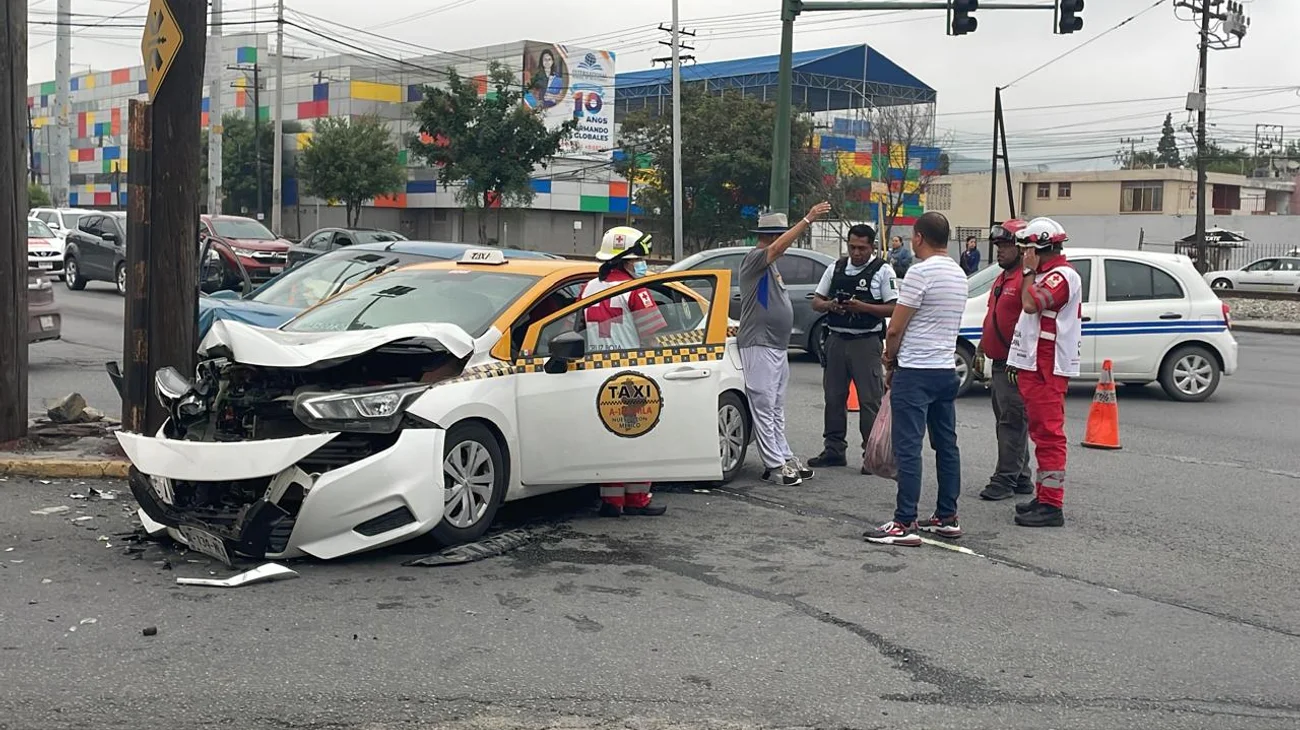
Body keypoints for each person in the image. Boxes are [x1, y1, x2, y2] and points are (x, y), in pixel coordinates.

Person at [864, 212, 968, 547]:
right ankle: (947, 516)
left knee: (908, 447)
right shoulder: (959, 274)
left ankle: (904, 521)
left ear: (919, 237)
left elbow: (895, 328)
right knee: (946, 445)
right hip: (945, 369)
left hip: (915, 370)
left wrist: (890, 359)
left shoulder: (919, 273)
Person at [739, 202, 833, 486]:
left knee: (776, 405)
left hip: (776, 346)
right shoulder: (756, 258)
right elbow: (777, 248)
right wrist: (807, 219)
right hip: (759, 343)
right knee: (764, 404)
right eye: (783, 235)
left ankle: (783, 455)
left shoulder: (770, 266)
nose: (787, 241)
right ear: (772, 236)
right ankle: (773, 465)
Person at [582, 225, 669, 518]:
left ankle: (612, 502)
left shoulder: (588, 288)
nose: (642, 264)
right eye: (639, 260)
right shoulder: (636, 290)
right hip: (632, 373)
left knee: (609, 436)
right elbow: (651, 335)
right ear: (628, 261)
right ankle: (637, 499)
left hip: (596, 372)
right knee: (639, 435)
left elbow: (575, 328)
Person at [1007, 217, 1083, 528]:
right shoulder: (1047, 275)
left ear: (1038, 249)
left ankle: (1052, 505)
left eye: (1026, 249)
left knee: (1049, 435)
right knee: (1040, 433)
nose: (1023, 255)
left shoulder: (1061, 276)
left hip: (1047, 366)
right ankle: (1044, 496)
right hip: (1036, 364)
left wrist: (1027, 272)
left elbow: (1030, 304)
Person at [807, 223, 897, 473]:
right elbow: (816, 301)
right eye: (852, 247)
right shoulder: (836, 268)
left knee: (869, 400)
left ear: (872, 247)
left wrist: (863, 307)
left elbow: (893, 307)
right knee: (834, 397)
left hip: (866, 342)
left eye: (862, 248)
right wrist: (831, 305)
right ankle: (834, 450)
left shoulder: (882, 270)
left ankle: (871, 455)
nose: (856, 253)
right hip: (836, 339)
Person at [973, 220, 1037, 502]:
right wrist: (981, 348)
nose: (999, 250)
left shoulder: (1026, 280)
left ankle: (1005, 479)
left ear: (1021, 248)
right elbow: (993, 316)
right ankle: (1021, 476)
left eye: (1006, 245)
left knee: (1011, 422)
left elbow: (1029, 320)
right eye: (998, 245)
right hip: (999, 361)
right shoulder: (1004, 277)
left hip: (1015, 365)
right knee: (1008, 420)